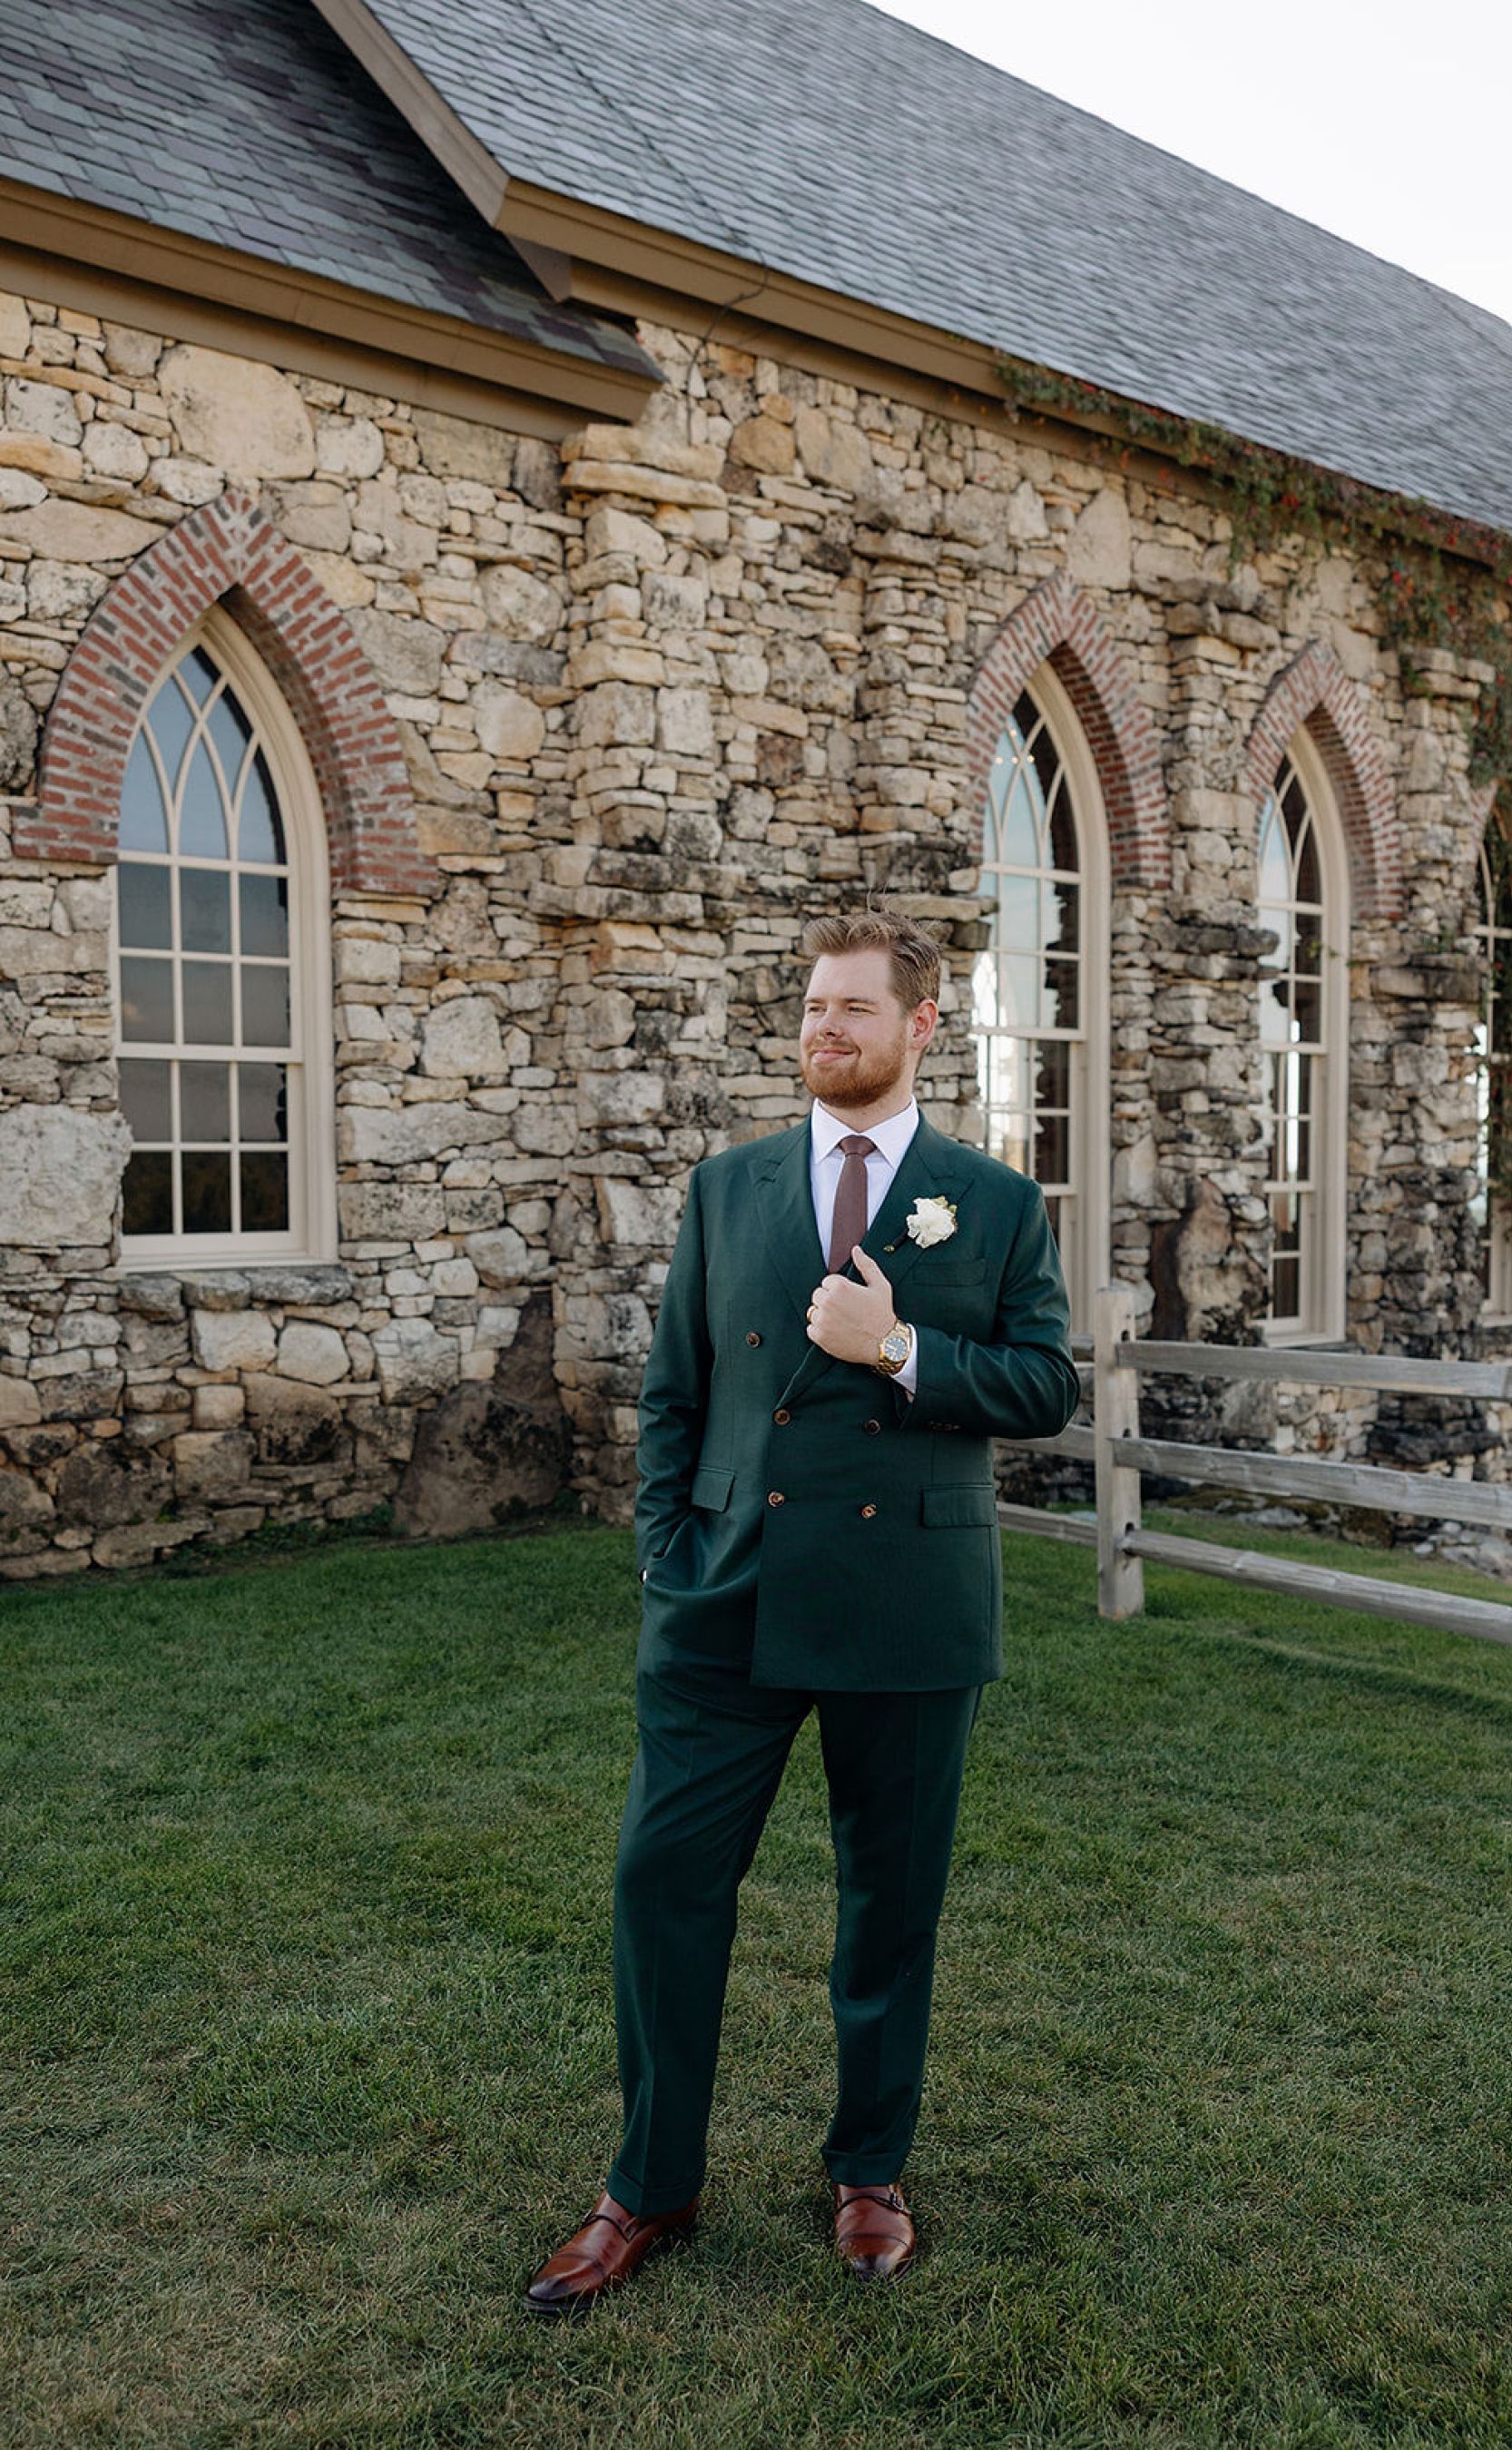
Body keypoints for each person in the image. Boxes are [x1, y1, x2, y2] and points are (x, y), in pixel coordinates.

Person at [523, 906, 1079, 2313]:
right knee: (662, 1883)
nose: (824, 1032)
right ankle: (649, 2186)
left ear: (920, 1028)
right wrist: (667, 1551)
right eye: (813, 1010)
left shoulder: (994, 1201)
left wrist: (898, 1346)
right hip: (726, 1601)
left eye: (854, 1012)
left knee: (889, 1904)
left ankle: (869, 2173)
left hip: (908, 1601)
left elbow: (1043, 1389)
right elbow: (672, 1393)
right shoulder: (729, 1187)